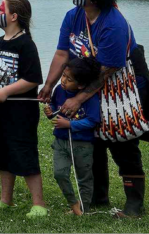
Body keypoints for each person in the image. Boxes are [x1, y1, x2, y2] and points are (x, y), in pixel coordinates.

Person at [38, 0, 149, 218]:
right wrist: (48, 85)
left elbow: (105, 72)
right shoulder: (74, 15)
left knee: (123, 141)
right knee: (92, 140)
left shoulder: (114, 25)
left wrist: (77, 98)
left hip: (118, 85)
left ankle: (134, 204)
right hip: (84, 81)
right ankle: (98, 196)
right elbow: (62, 53)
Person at [0, 0, 47, 218]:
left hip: (20, 113)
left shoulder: (26, 44)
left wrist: (6, 91)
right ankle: (5, 200)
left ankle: (39, 204)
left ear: (13, 16)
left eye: (2, 9)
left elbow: (33, 78)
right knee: (2, 154)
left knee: (24, 152)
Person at [44, 58, 101, 216]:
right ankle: (73, 202)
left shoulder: (89, 98)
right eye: (63, 76)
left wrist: (70, 125)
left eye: (69, 79)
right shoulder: (59, 90)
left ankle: (83, 208)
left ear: (81, 85)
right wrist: (51, 112)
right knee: (59, 173)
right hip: (61, 141)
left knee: (84, 178)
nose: (63, 81)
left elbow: (93, 120)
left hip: (83, 144)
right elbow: (56, 108)